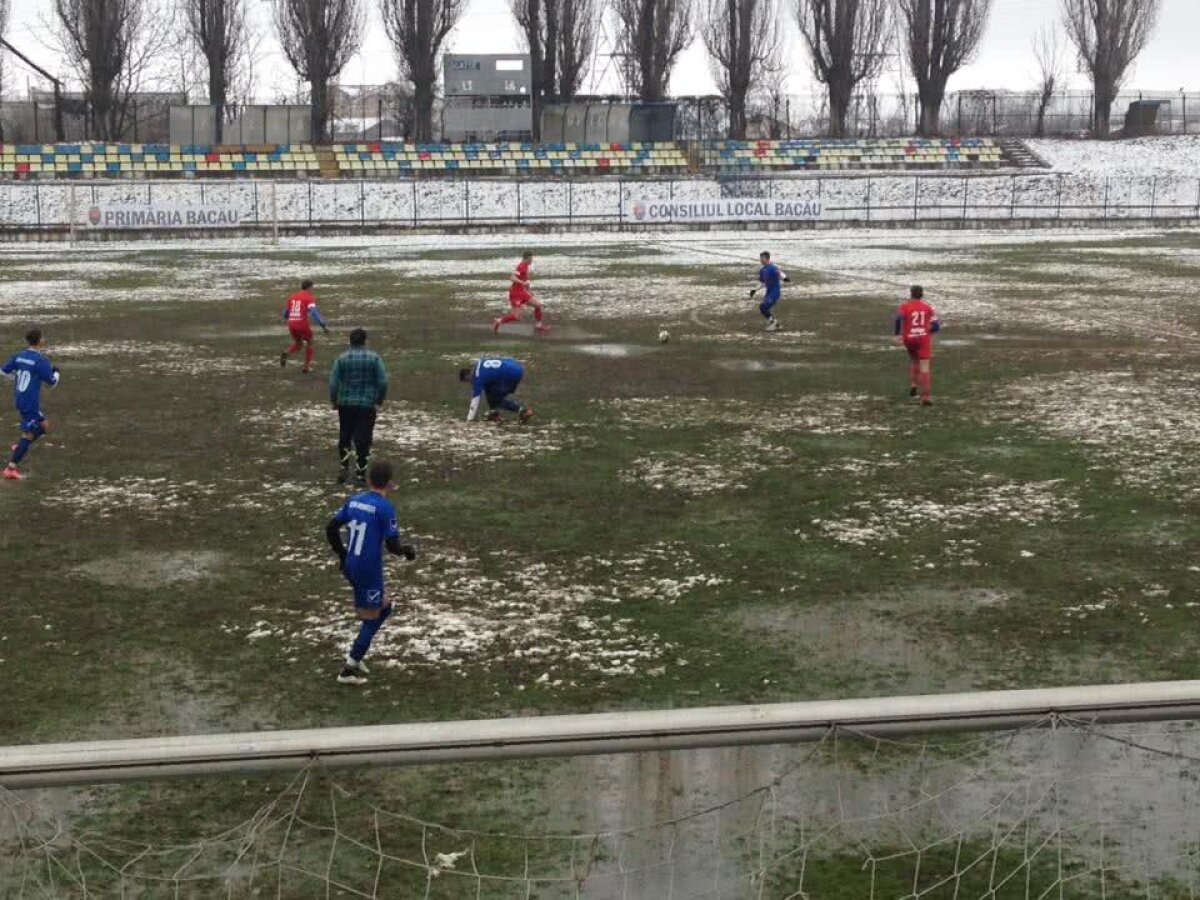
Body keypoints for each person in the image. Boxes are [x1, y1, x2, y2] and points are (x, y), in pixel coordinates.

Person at [325, 459, 418, 685]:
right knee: (374, 615)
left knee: (384, 605)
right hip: (368, 569)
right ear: (390, 484)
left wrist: (342, 554)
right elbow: (393, 547)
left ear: (368, 480)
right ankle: (349, 666)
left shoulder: (355, 500)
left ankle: (357, 655)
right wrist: (408, 551)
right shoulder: (385, 508)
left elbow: (331, 527)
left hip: (352, 565)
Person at [329, 328, 388, 486]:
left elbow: (333, 383)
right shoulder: (374, 358)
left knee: (345, 437)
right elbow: (383, 382)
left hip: (346, 404)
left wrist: (334, 400)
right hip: (366, 405)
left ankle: (344, 467)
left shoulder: (342, 359)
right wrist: (379, 400)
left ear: (350, 341)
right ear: (365, 341)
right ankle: (361, 472)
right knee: (363, 440)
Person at [2, 328, 60, 481]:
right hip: (30, 403)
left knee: (44, 425)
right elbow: (52, 382)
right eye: (43, 337)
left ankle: (21, 446)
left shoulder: (20, 355)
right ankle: (10, 469)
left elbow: (3, 371)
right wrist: (56, 372)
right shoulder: (40, 360)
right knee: (29, 433)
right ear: (40, 341)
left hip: (21, 398)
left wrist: (14, 377)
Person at [894, 285, 941, 406]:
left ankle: (913, 388)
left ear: (911, 294)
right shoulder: (928, 308)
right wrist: (925, 330)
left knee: (914, 361)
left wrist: (897, 334)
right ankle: (925, 397)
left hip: (909, 339)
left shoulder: (904, 306)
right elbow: (936, 326)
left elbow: (898, 318)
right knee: (925, 367)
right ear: (922, 294)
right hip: (923, 340)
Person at [459, 357, 534, 424]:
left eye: (468, 380)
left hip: (510, 374)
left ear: (468, 375)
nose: (471, 383)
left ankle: (523, 411)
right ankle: (494, 413)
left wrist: (469, 420)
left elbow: (475, 400)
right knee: (489, 389)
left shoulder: (478, 377)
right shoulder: (480, 362)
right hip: (515, 367)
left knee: (497, 400)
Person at [493, 251, 550, 335]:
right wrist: (522, 283)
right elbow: (512, 277)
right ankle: (499, 321)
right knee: (516, 317)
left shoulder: (526, 266)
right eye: (530, 259)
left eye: (532, 259)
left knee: (538, 305)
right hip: (515, 294)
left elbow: (526, 280)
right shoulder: (521, 266)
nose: (531, 261)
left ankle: (539, 325)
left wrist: (528, 290)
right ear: (525, 259)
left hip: (523, 292)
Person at [280, 279, 328, 374]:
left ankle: (287, 352)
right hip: (301, 324)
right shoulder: (309, 298)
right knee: (310, 342)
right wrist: (322, 324)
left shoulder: (292, 297)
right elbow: (314, 312)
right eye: (312, 288)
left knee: (299, 344)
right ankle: (306, 367)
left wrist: (289, 318)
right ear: (309, 287)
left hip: (291, 323)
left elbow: (286, 313)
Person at [749, 251, 790, 332]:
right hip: (768, 293)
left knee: (763, 307)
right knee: (762, 308)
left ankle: (774, 323)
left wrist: (784, 278)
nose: (760, 260)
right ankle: (776, 324)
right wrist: (755, 290)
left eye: (762, 258)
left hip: (775, 293)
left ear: (767, 258)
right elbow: (762, 282)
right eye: (760, 258)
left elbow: (780, 273)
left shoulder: (773, 268)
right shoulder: (762, 270)